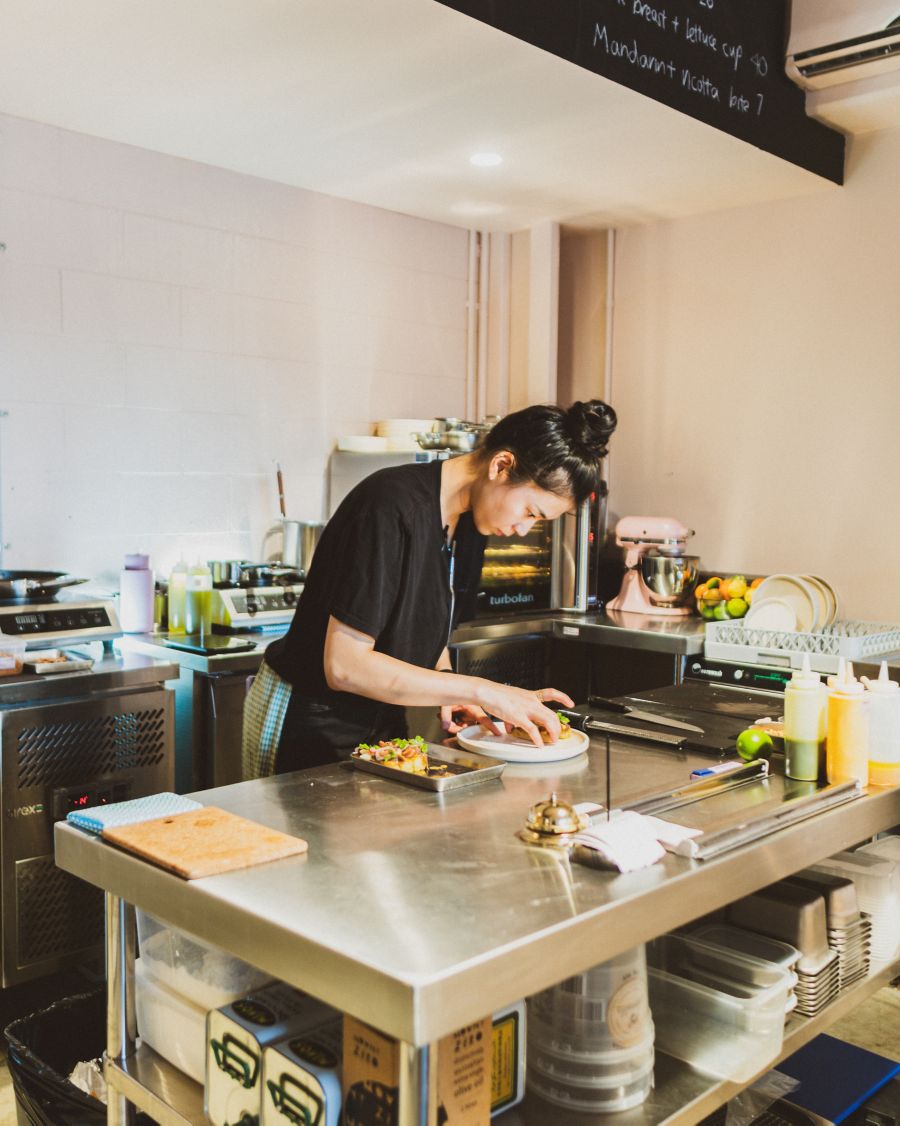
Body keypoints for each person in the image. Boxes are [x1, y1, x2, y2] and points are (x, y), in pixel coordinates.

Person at [243, 400, 617, 777]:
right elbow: (344, 666)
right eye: (530, 512)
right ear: (501, 466)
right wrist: (480, 691)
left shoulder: (471, 524)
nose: (524, 529)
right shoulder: (390, 505)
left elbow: (429, 620)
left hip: (383, 721)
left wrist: (451, 687)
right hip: (309, 720)